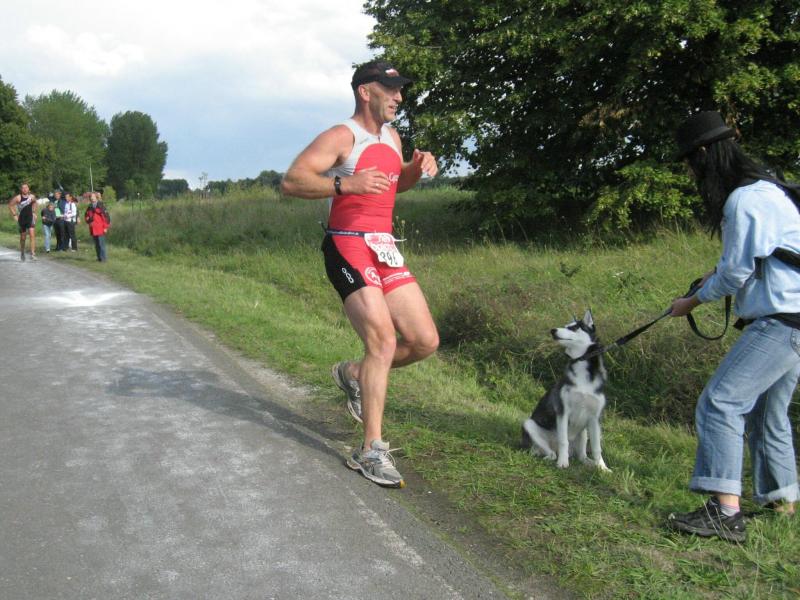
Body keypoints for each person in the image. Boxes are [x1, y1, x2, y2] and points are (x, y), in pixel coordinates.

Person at [281, 60, 440, 488]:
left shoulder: (392, 137)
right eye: (391, 89)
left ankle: (353, 373)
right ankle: (371, 450)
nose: (399, 97)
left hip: (383, 246)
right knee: (383, 342)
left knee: (424, 341)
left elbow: (393, 184)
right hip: (347, 245)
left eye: (401, 89)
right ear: (365, 91)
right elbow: (292, 181)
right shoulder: (341, 136)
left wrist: (416, 169)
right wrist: (343, 185)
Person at [666, 111, 800, 542]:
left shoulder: (742, 200)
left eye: (690, 162)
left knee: (720, 402)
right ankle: (782, 503)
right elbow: (761, 256)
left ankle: (724, 513)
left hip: (781, 321)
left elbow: (736, 273)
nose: (691, 172)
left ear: (705, 153)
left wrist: (690, 302)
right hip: (794, 318)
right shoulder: (769, 188)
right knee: (766, 412)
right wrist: (714, 274)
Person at [8, 182, 38, 261]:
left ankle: (32, 253)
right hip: (22, 219)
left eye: (26, 187)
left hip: (30, 218)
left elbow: (35, 202)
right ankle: (22, 252)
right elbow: (10, 205)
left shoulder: (32, 197)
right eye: (23, 188)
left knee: (32, 235)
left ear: (28, 189)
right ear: (21, 189)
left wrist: (34, 212)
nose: (25, 189)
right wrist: (14, 215)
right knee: (23, 237)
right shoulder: (18, 198)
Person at [84, 192, 109, 261]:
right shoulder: (89, 206)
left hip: (100, 228)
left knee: (101, 244)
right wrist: (88, 221)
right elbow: (86, 215)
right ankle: (99, 258)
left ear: (96, 197)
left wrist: (105, 227)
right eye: (90, 197)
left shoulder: (101, 205)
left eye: (93, 197)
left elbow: (106, 218)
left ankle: (103, 259)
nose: (92, 198)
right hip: (93, 228)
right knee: (97, 244)